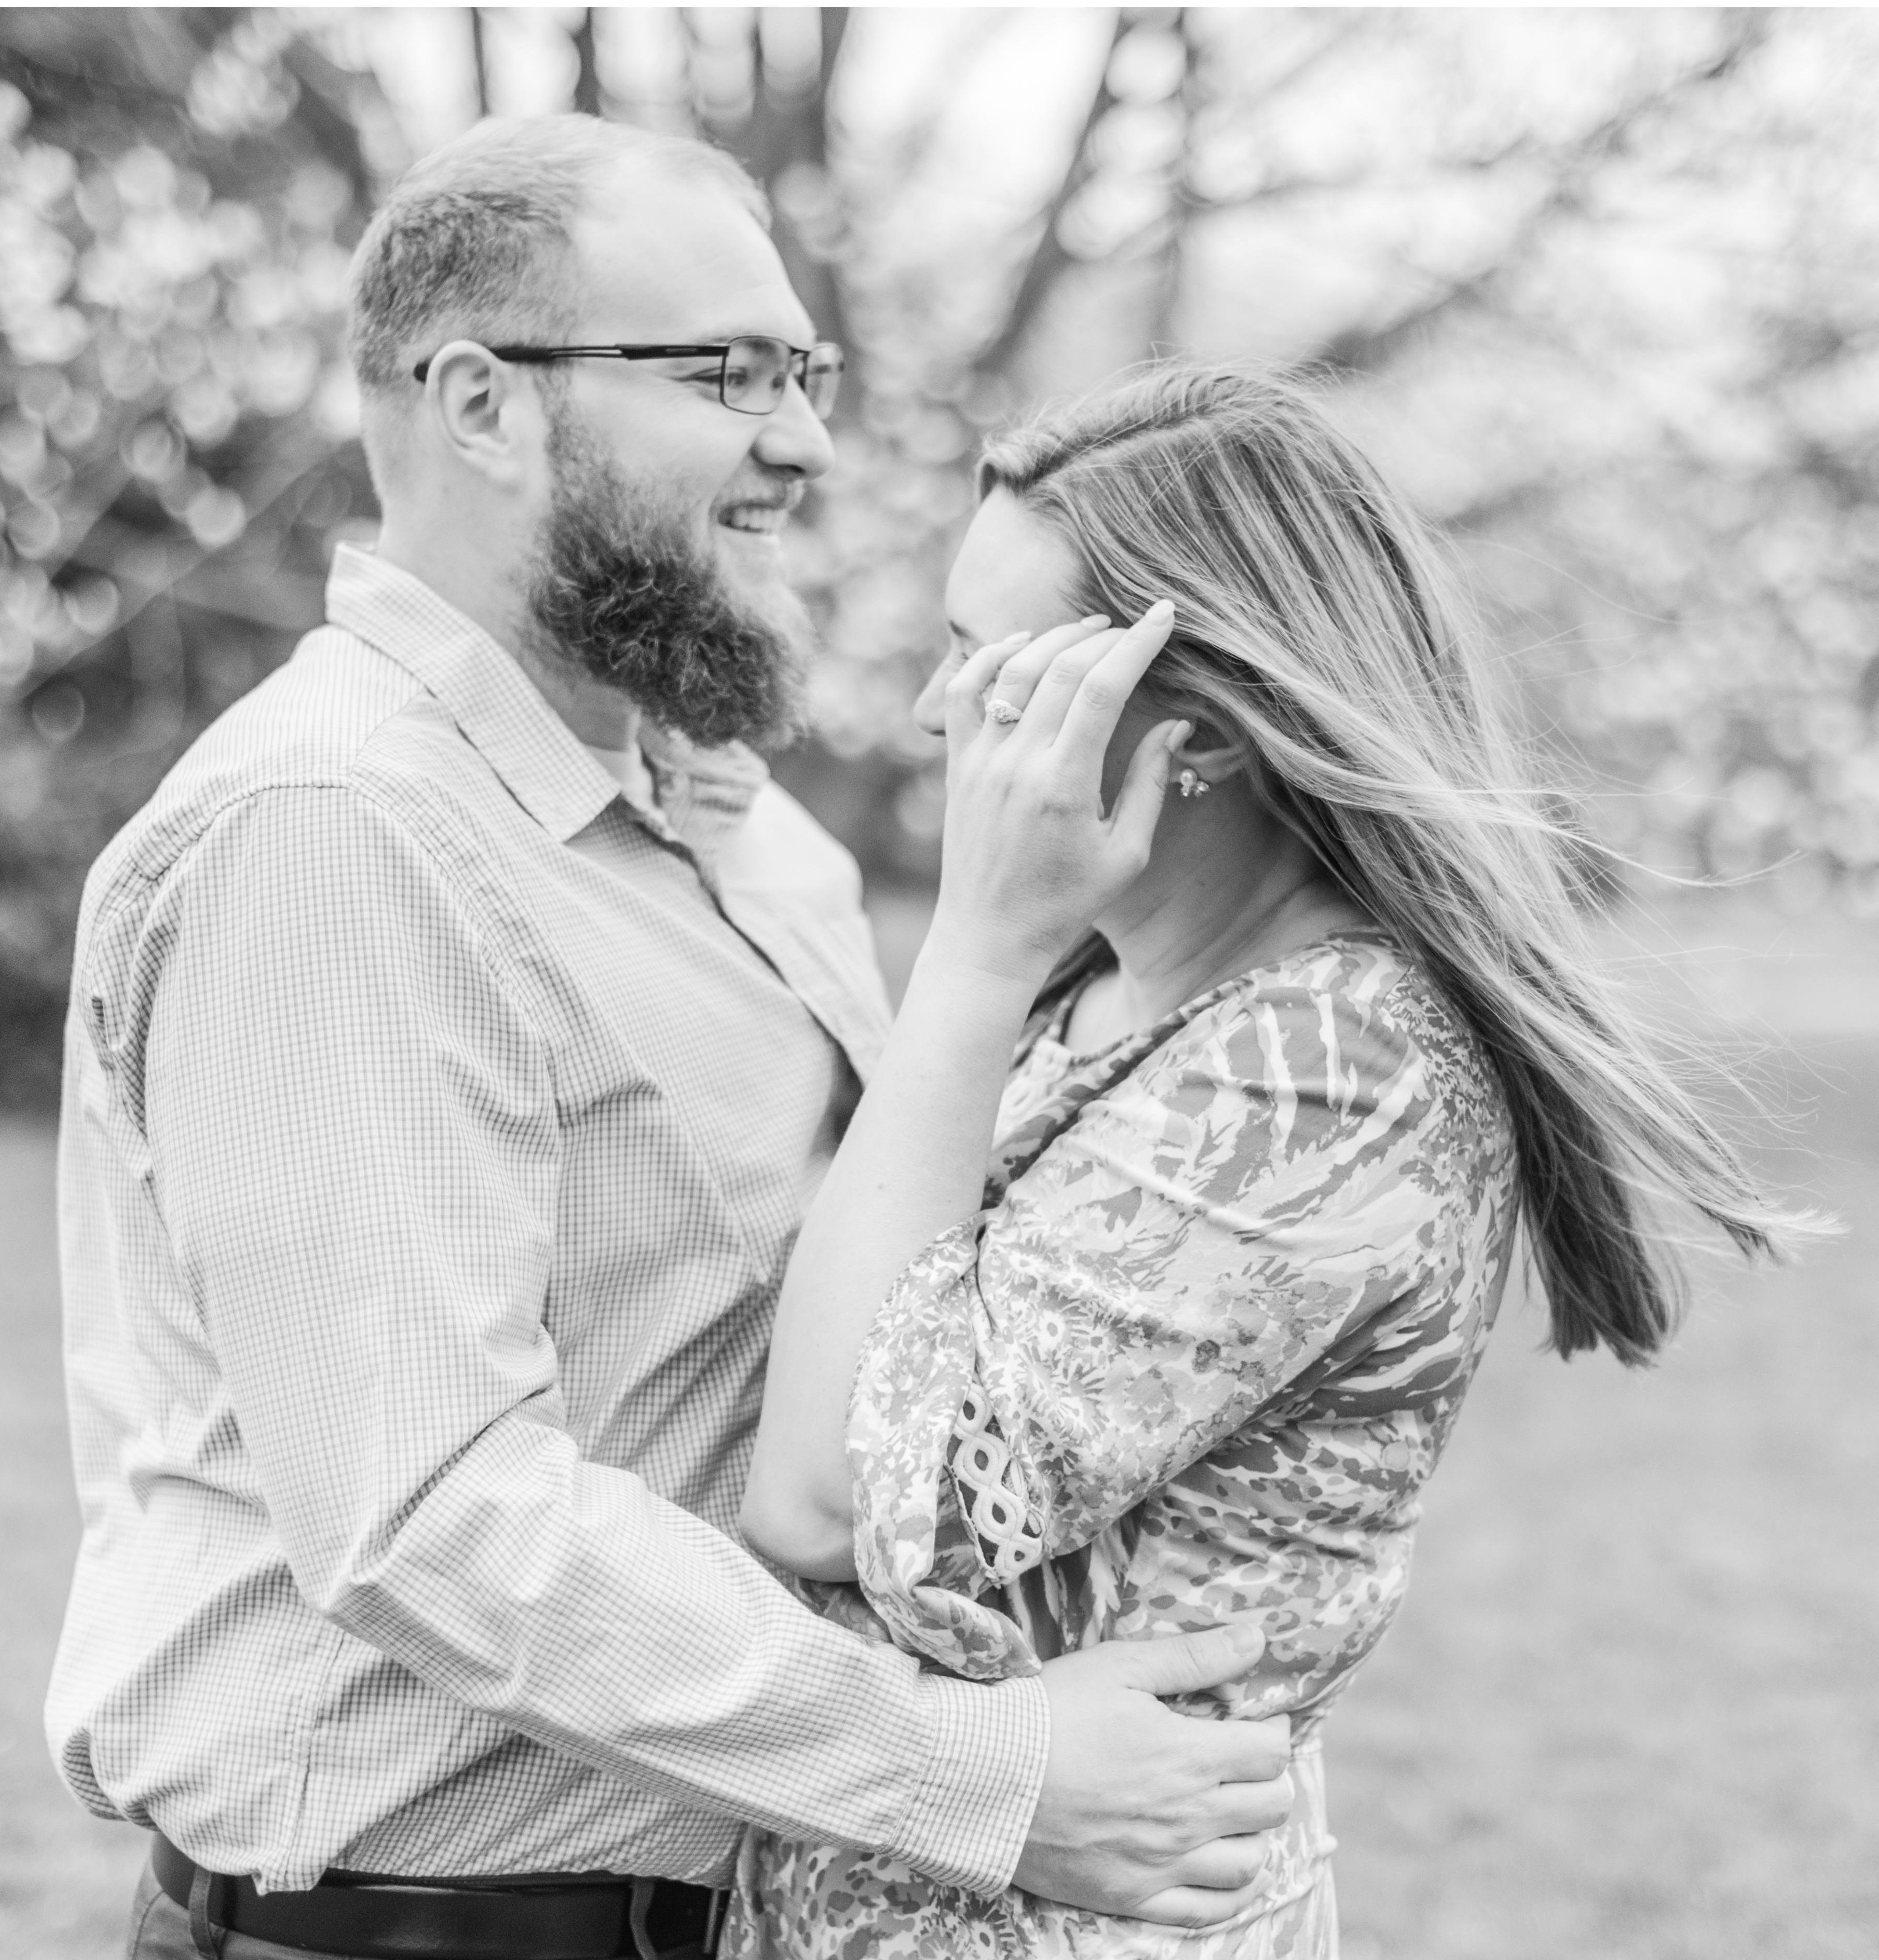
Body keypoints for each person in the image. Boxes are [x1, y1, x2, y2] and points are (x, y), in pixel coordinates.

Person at [47, 121, 1296, 1960]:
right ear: (484, 404)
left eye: (808, 372)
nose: (804, 438)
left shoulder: (741, 826)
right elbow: (435, 1516)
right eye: (731, 373)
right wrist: (988, 1776)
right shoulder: (336, 835)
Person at [735, 365, 1815, 1957]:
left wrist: (968, 951)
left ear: (1195, 734)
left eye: (991, 664)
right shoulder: (1109, 987)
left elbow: (830, 1501)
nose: (933, 713)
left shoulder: (1328, 1075)